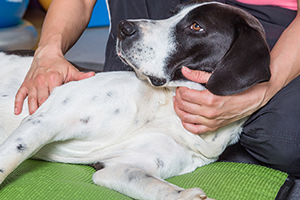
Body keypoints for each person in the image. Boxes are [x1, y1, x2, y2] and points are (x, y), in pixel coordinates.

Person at [14, 0, 300, 177]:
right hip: (179, 10)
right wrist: (48, 52)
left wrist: (260, 93)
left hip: (272, 25)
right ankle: (133, 89)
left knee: (286, 140)